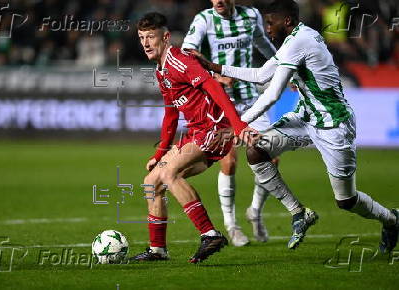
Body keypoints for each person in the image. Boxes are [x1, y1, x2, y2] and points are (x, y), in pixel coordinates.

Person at [190, 0, 399, 251]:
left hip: (333, 125)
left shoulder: (300, 42)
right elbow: (261, 75)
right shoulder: (294, 39)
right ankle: (299, 212)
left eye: (270, 23)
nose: (267, 29)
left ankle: (391, 220)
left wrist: (239, 124)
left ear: (286, 21)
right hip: (306, 118)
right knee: (256, 150)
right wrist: (214, 66)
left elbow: (272, 94)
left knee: (346, 200)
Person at [130, 12, 256, 263]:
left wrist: (238, 124)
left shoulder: (179, 61)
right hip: (196, 132)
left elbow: (214, 87)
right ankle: (158, 250)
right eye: (142, 37)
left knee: (170, 174)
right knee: (151, 182)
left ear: (165, 37)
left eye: (151, 37)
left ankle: (209, 234)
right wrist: (158, 154)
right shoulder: (161, 70)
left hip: (214, 128)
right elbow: (171, 114)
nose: (145, 43)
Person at [182, 0, 277, 245]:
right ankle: (231, 225)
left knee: (271, 157)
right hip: (221, 100)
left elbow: (263, 44)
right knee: (230, 161)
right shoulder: (204, 19)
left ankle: (255, 211)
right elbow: (187, 54)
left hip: (250, 98)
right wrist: (214, 76)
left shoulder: (251, 16)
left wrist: (285, 69)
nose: (218, 1)